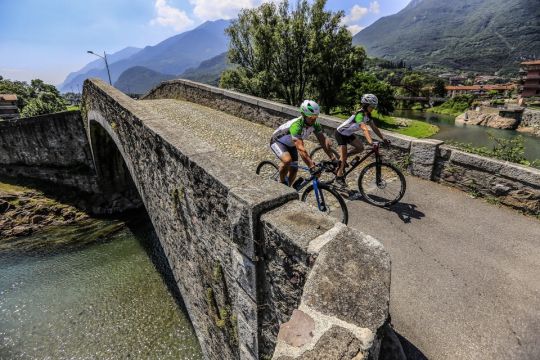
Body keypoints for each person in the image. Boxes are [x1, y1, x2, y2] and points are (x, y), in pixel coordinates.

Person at [270, 100, 336, 187]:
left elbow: (323, 142)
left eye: (315, 117)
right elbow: (301, 148)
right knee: (287, 160)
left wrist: (333, 158)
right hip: (277, 141)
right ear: (303, 115)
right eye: (310, 117)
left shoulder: (315, 125)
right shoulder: (296, 126)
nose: (313, 119)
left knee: (294, 169)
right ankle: (282, 184)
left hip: (291, 144)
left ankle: (288, 188)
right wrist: (311, 166)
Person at [334, 94, 390, 187]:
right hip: (340, 133)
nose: (373, 109)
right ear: (366, 105)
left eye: (374, 107)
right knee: (343, 157)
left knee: (360, 148)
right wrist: (371, 142)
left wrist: (383, 139)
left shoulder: (368, 115)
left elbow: (374, 128)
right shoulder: (359, 114)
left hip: (348, 134)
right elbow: (364, 128)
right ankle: (339, 177)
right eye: (372, 106)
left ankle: (343, 159)